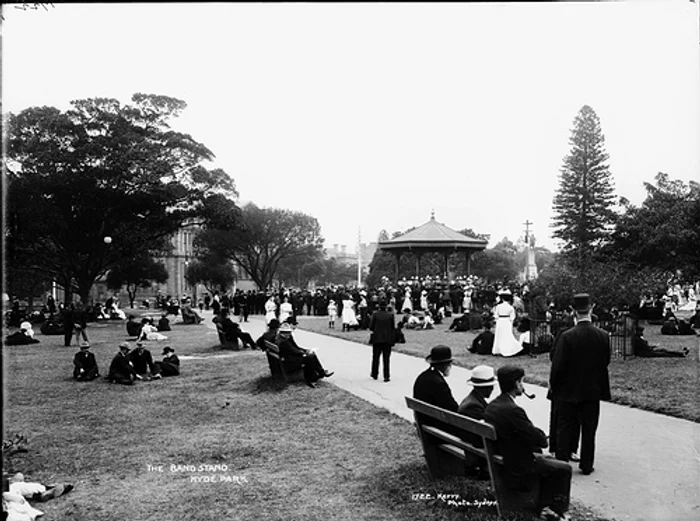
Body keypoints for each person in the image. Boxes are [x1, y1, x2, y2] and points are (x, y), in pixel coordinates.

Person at [484, 365, 572, 521]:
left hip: (502, 454)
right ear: (517, 384)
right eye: (522, 382)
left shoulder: (493, 405)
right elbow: (539, 440)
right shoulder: (513, 410)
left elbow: (525, 432)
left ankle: (545, 506)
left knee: (550, 462)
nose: (523, 386)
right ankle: (556, 510)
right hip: (518, 464)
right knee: (564, 468)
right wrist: (541, 436)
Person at [550, 293, 610, 475]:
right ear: (591, 309)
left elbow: (558, 366)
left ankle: (562, 463)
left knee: (565, 426)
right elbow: (605, 362)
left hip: (569, 390)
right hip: (592, 389)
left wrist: (556, 386)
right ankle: (586, 464)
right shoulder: (603, 335)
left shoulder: (567, 337)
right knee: (589, 428)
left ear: (573, 312)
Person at [457, 365, 496, 479]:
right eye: (490, 386)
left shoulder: (472, 399)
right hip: (475, 442)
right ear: (484, 387)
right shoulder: (474, 406)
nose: (492, 389)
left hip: (470, 438)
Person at [413, 345, 459, 434]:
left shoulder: (422, 377)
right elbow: (452, 409)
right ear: (446, 365)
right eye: (450, 364)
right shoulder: (439, 383)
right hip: (436, 430)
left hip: (424, 425)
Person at [276, 323, 333, 388]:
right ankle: (313, 378)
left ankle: (321, 373)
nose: (289, 333)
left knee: (311, 355)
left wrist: (306, 350)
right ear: (283, 333)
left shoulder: (285, 338)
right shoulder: (283, 342)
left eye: (289, 332)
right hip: (289, 361)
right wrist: (304, 353)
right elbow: (293, 351)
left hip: (290, 357)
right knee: (310, 358)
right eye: (288, 332)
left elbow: (296, 347)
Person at [369, 299, 395, 382]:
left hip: (377, 338)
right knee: (386, 358)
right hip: (387, 338)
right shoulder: (390, 315)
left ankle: (374, 373)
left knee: (375, 357)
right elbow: (392, 327)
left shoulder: (375, 315)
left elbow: (371, 327)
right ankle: (386, 376)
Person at [492, 289, 523, 357]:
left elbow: (495, 315)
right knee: (507, 335)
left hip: (500, 321)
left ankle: (498, 350)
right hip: (507, 321)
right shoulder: (510, 307)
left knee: (499, 335)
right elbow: (512, 317)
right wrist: (510, 321)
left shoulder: (498, 306)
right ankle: (507, 350)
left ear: (502, 299)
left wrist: (497, 320)